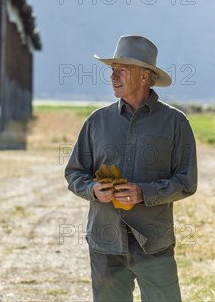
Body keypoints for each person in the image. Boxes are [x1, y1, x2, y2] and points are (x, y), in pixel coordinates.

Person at [64, 34, 198, 302]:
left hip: (154, 243)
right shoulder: (96, 121)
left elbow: (186, 181)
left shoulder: (175, 122)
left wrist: (144, 193)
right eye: (112, 71)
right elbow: (74, 173)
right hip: (105, 242)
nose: (113, 77)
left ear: (146, 76)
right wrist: (93, 189)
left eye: (121, 71)